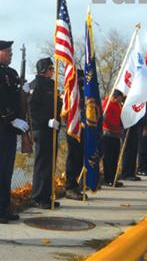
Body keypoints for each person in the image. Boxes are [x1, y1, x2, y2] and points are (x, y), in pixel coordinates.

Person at [0, 40, 29, 223]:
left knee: (6, 170)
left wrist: (23, 91)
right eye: (7, 51)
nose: (11, 54)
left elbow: (13, 96)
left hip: (11, 129)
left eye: (11, 51)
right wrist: (11, 118)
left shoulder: (11, 73)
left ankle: (4, 205)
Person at [29, 58, 62, 209]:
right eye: (50, 68)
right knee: (42, 164)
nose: (52, 71)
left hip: (52, 129)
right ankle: (37, 197)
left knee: (50, 164)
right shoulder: (36, 85)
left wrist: (57, 122)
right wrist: (46, 121)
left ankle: (47, 196)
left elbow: (57, 106)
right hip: (41, 129)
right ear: (43, 70)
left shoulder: (52, 85)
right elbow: (32, 110)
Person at [64, 69, 85, 201]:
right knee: (73, 157)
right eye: (81, 78)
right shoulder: (72, 91)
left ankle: (76, 184)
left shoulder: (83, 92)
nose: (82, 81)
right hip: (73, 129)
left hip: (83, 129)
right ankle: (70, 186)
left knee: (79, 158)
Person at [101, 90, 125, 187]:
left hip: (116, 134)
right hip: (108, 134)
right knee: (108, 158)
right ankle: (108, 179)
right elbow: (105, 119)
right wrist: (114, 126)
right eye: (120, 97)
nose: (121, 99)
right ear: (116, 96)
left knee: (115, 157)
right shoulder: (106, 103)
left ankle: (114, 177)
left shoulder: (118, 105)